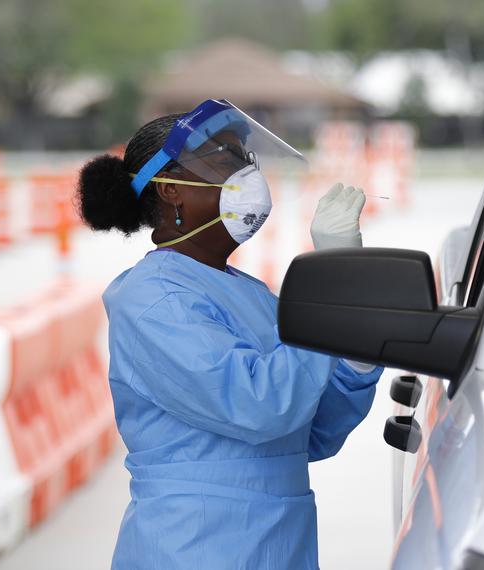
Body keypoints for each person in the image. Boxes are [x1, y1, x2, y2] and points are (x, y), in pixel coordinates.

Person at [76, 99, 382, 570]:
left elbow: (314, 430)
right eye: (224, 160)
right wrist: (327, 284)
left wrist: (356, 356)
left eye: (246, 160)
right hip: (196, 544)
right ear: (171, 190)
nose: (245, 175)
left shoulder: (253, 294)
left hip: (281, 542)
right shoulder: (152, 302)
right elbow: (264, 405)